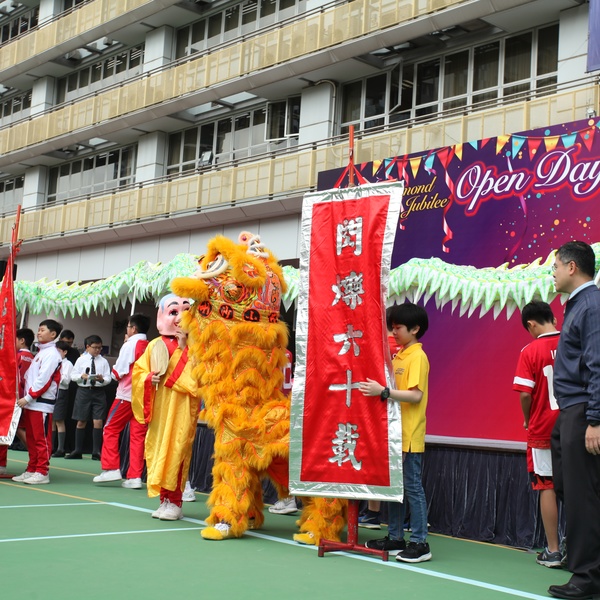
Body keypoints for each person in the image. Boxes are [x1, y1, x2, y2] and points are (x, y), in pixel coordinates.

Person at [359, 302, 432, 563]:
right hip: (394, 434)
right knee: (395, 488)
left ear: (415, 329)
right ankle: (395, 537)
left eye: (398, 327)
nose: (394, 332)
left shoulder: (417, 357)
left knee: (412, 488)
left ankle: (420, 542)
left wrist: (384, 392)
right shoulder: (399, 355)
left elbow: (415, 395)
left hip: (409, 435)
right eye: (393, 327)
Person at [549, 241, 600, 600]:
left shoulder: (591, 305)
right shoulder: (578, 305)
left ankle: (587, 577)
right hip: (571, 410)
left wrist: (595, 419)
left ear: (571, 267)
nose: (552, 273)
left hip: (583, 412)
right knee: (569, 488)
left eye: (554, 266)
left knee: (583, 495)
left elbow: (597, 364)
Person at [131, 295, 199, 521]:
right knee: (159, 451)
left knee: (177, 452)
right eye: (173, 312)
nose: (180, 317)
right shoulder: (154, 345)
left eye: (186, 311)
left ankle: (176, 502)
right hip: (160, 407)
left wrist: (185, 347)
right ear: (161, 316)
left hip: (182, 408)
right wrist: (148, 378)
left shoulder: (197, 346)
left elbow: (197, 379)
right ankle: (164, 500)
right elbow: (139, 373)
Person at [512, 300, 561, 568]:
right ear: (553, 318)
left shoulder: (530, 350)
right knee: (580, 487)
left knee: (547, 486)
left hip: (543, 428)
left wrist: (527, 419)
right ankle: (582, 549)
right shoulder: (573, 342)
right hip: (577, 425)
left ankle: (553, 550)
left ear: (530, 324)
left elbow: (524, 393)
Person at [93, 313, 150, 488]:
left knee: (110, 429)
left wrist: (110, 374)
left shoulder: (130, 345)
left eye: (128, 326)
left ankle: (111, 468)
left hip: (126, 395)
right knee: (137, 437)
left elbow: (119, 372)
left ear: (133, 328)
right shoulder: (150, 345)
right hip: (143, 396)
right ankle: (135, 476)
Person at [12, 319, 63, 485]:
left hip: (41, 403)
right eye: (38, 330)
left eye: (42, 330)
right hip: (32, 402)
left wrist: (28, 397)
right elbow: (29, 377)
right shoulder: (41, 353)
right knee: (32, 438)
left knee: (41, 439)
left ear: (53, 334)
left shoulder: (52, 354)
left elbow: (44, 380)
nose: (38, 332)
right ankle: (32, 468)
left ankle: (42, 471)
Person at [67, 335, 111, 460]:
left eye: (99, 348)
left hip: (99, 391)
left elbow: (108, 377)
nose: (97, 350)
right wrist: (82, 376)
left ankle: (96, 451)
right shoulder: (81, 360)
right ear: (87, 347)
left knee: (98, 421)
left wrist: (102, 379)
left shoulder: (103, 361)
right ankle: (77, 450)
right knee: (81, 421)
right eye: (95, 347)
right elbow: (73, 375)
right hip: (84, 391)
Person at [0, 328, 35, 475]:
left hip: (12, 398)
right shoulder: (32, 357)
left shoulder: (17, 357)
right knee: (18, 429)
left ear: (22, 340)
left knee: (6, 429)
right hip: (24, 397)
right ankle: (36, 458)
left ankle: (36, 459)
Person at [51, 340, 74, 457]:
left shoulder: (68, 364)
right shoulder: (53, 362)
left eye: (59, 351)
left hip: (62, 391)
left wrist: (55, 375)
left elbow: (66, 381)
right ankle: (51, 446)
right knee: (52, 420)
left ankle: (60, 448)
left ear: (65, 352)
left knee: (59, 420)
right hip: (52, 391)